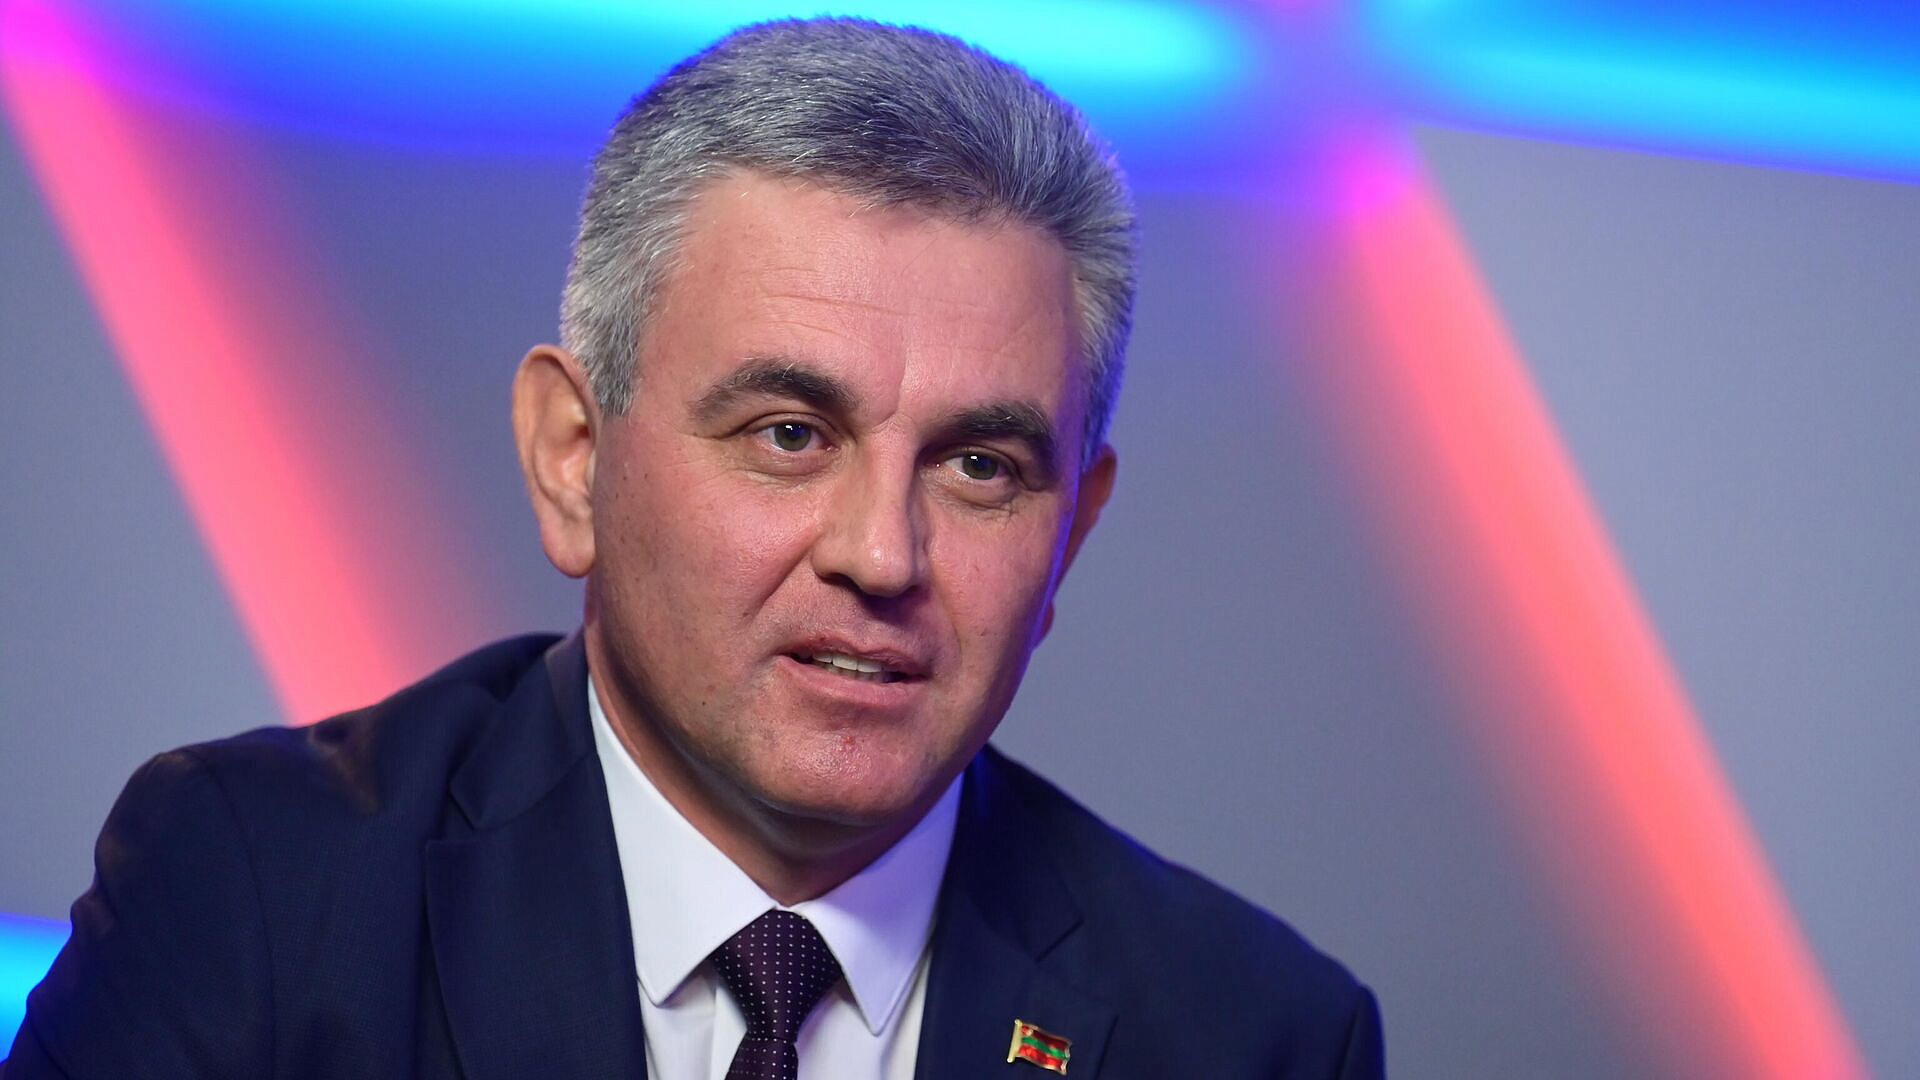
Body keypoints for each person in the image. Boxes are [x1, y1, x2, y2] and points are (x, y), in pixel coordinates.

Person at [4, 17, 1381, 1079]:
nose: (882, 556)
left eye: (979, 466)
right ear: (574, 459)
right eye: (790, 433)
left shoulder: (1253, 1036)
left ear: (1070, 531)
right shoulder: (253, 900)